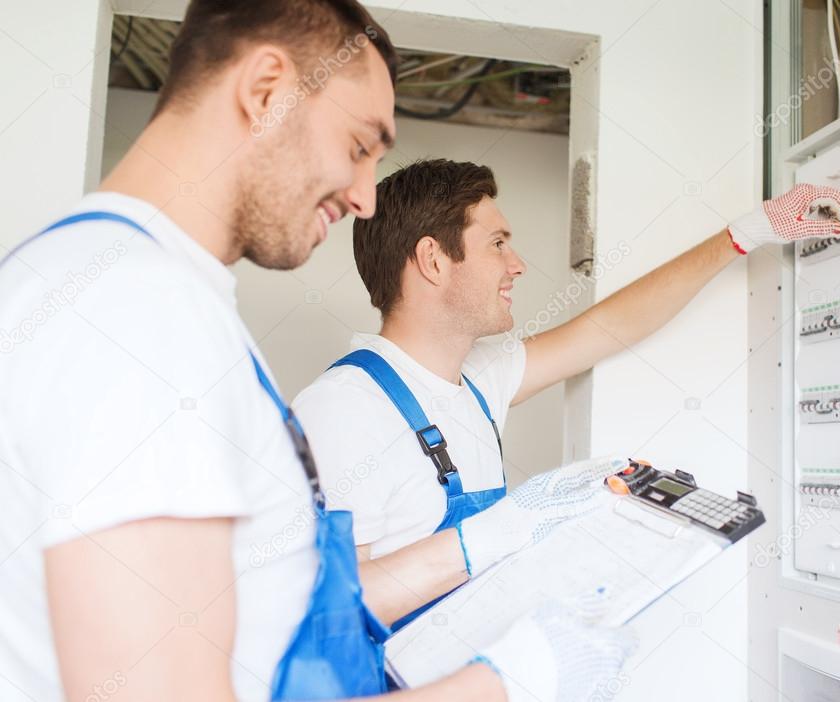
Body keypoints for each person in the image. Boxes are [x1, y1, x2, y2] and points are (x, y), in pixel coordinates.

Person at [0, 2, 635, 701]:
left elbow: (272, 616)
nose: (366, 198)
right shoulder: (141, 308)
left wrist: (501, 535)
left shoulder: (113, 278)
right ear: (265, 89)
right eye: (361, 145)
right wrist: (502, 686)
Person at [294, 160, 840, 627]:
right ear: (434, 260)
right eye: (497, 244)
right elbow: (327, 613)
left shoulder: (473, 384)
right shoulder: (346, 408)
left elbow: (610, 326)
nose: (517, 265)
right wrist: (505, 531)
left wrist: (747, 233)